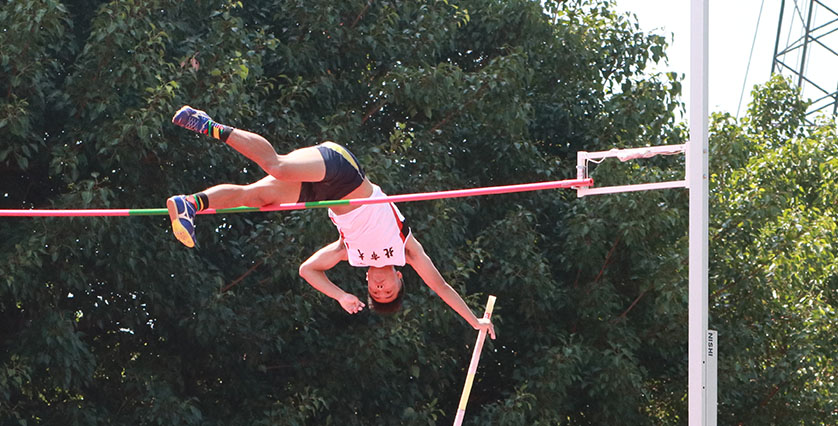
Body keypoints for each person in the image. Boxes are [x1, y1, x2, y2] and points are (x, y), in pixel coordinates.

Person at [167, 106, 495, 338]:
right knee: (277, 167)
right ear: (398, 278)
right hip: (344, 173)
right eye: (388, 291)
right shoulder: (406, 252)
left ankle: (191, 204)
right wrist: (474, 320)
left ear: (367, 282)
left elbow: (307, 270)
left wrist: (339, 295)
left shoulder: (348, 253)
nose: (380, 289)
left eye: (375, 294)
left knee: (255, 197)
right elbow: (440, 287)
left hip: (319, 193)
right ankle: (208, 125)